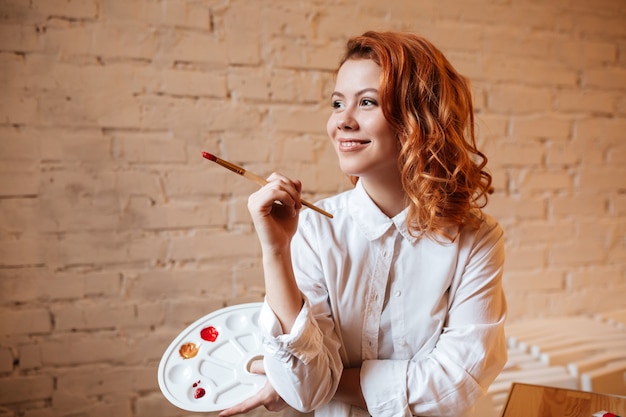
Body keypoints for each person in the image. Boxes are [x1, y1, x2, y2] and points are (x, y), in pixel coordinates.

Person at [219, 30, 507, 417]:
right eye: (338, 103)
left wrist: (320, 382)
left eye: (366, 102)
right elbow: (305, 391)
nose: (342, 122)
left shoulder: (477, 238)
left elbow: (454, 385)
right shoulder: (314, 230)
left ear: (420, 119)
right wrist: (276, 251)